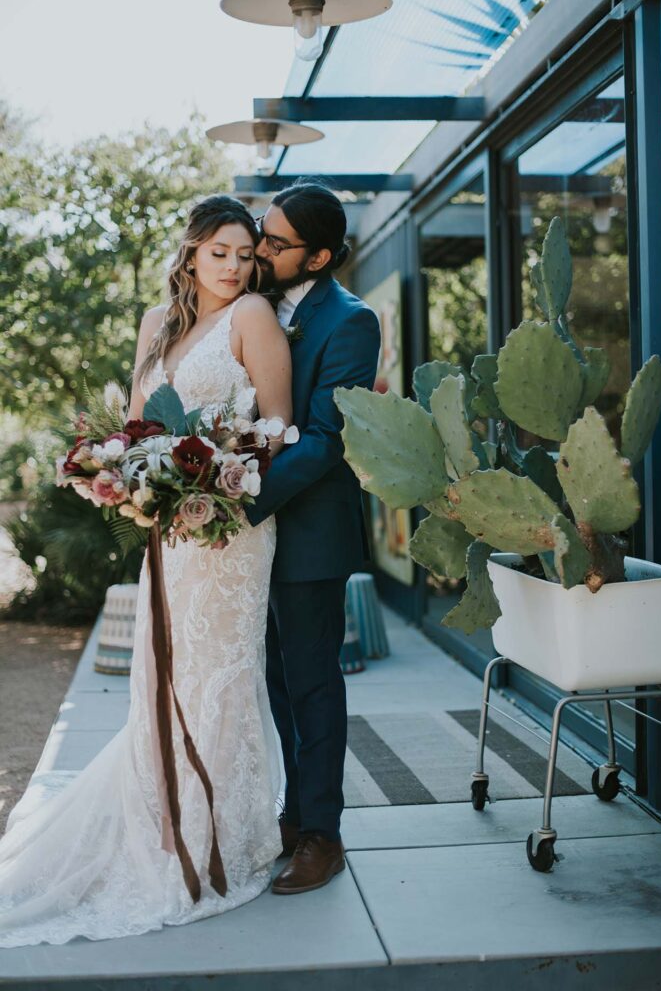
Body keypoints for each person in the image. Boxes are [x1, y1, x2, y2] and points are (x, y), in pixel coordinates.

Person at [0, 195, 292, 946]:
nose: (233, 266)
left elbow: (276, 430)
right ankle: (162, 831)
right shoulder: (156, 326)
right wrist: (129, 475)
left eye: (244, 253)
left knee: (219, 673)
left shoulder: (253, 318)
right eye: (219, 251)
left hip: (232, 527)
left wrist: (215, 481)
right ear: (192, 251)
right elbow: (137, 430)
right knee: (163, 677)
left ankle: (215, 843)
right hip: (167, 526)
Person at [245, 180, 381, 895]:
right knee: (274, 679)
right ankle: (293, 816)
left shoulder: (351, 322)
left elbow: (327, 437)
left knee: (313, 682)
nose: (260, 250)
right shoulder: (252, 305)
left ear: (320, 255)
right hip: (249, 537)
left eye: (275, 242)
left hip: (308, 532)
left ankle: (323, 837)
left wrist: (240, 499)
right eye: (261, 235)